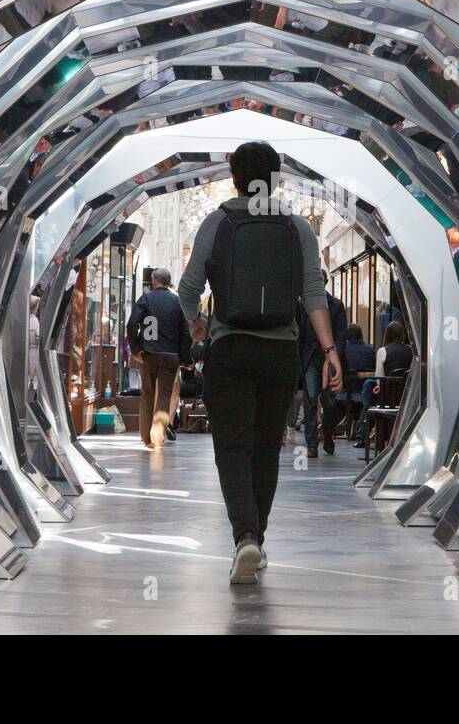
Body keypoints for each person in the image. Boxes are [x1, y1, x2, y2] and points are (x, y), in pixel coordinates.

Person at [179, 141, 342, 584]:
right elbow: (313, 293)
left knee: (232, 446)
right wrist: (329, 352)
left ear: (234, 177)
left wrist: (198, 327)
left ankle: (245, 536)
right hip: (280, 352)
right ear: (277, 177)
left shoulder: (218, 222)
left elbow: (188, 288)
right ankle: (257, 541)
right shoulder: (297, 228)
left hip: (229, 349)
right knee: (266, 448)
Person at [126, 268, 192, 449]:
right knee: (164, 395)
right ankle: (157, 436)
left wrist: (135, 349)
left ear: (154, 281)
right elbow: (186, 332)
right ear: (169, 282)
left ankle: (145, 437)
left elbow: (132, 324)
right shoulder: (177, 301)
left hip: (148, 354)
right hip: (170, 355)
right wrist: (185, 357)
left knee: (147, 393)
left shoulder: (146, 298)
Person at [296, 270, 347, 458]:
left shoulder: (336, 305)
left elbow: (342, 334)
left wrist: (335, 355)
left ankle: (327, 433)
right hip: (310, 359)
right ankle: (311, 444)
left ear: (325, 282)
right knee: (310, 401)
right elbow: (299, 334)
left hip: (329, 361)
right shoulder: (302, 307)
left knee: (330, 403)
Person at [353, 320, 413, 447]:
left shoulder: (382, 351)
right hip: (405, 395)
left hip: (387, 396)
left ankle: (362, 434)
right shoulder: (411, 351)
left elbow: (379, 375)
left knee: (369, 388)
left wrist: (379, 387)